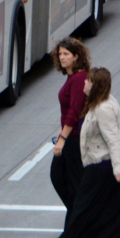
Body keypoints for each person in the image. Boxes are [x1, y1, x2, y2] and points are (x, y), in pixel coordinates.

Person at [44, 68, 120, 238]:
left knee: (82, 207)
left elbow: (114, 140)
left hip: (103, 166)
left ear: (96, 85)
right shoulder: (99, 103)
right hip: (106, 165)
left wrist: (118, 168)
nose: (84, 84)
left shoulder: (103, 108)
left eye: (88, 81)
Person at [49, 38, 91, 216]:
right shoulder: (72, 77)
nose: (62, 57)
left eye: (66, 54)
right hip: (70, 135)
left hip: (74, 139)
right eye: (60, 54)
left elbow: (74, 112)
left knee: (68, 180)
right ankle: (76, 215)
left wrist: (62, 139)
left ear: (76, 56)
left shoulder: (79, 78)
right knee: (61, 178)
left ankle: (79, 216)